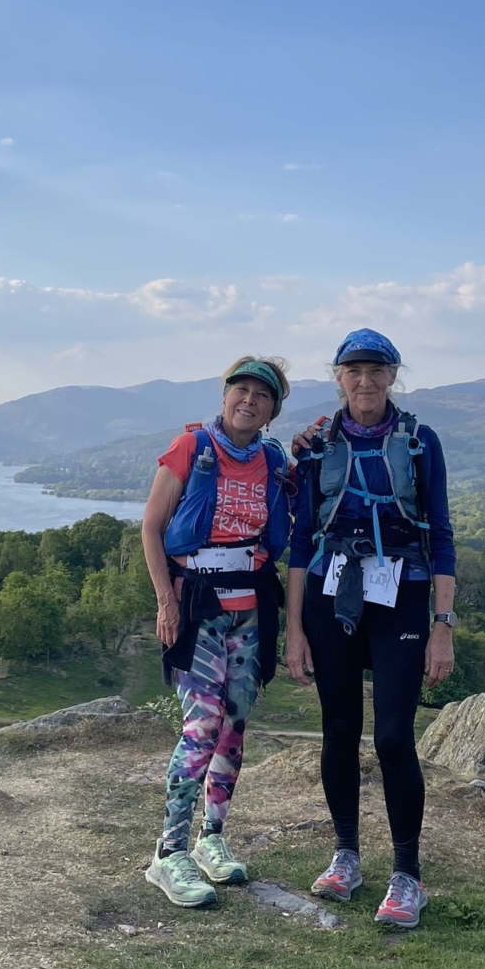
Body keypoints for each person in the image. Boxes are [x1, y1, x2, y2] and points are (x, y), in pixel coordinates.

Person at [284, 329, 455, 929]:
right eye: (353, 371)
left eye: (376, 371)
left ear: (392, 377)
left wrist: (442, 624)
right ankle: (346, 856)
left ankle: (407, 875)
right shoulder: (316, 446)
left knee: (392, 738)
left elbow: (441, 534)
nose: (365, 381)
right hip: (330, 593)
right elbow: (300, 540)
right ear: (338, 378)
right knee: (338, 730)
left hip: (402, 595)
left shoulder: (419, 442)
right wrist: (294, 629)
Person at [138, 356, 294, 908]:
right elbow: (152, 528)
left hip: (251, 607)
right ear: (225, 395)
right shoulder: (191, 448)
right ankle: (168, 853)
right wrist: (165, 602)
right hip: (197, 606)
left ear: (273, 411)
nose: (249, 400)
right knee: (201, 725)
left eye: (262, 394)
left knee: (234, 725)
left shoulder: (273, 460)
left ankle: (212, 838)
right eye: (241, 389)